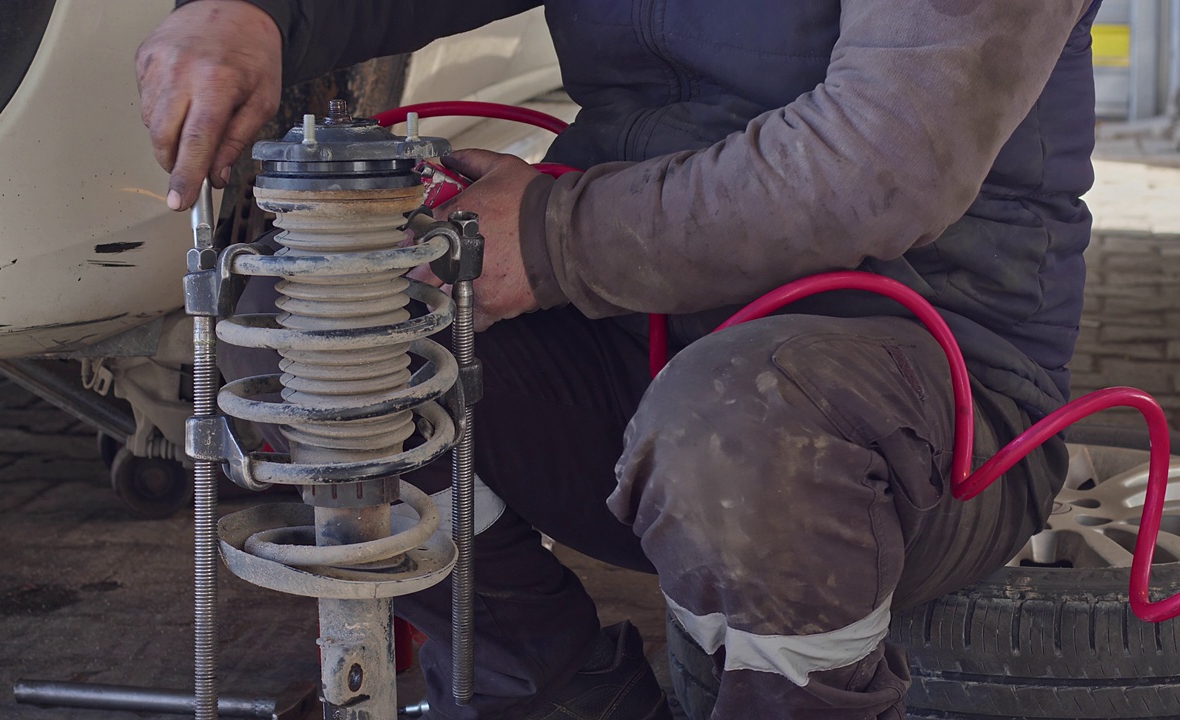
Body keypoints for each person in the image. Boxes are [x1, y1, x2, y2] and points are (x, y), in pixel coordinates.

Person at [137, 1, 1102, 718]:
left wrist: (554, 240)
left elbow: (886, 161)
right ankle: (557, 698)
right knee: (317, 336)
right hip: (640, 340)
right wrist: (258, 18)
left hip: (923, 387)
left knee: (742, 430)